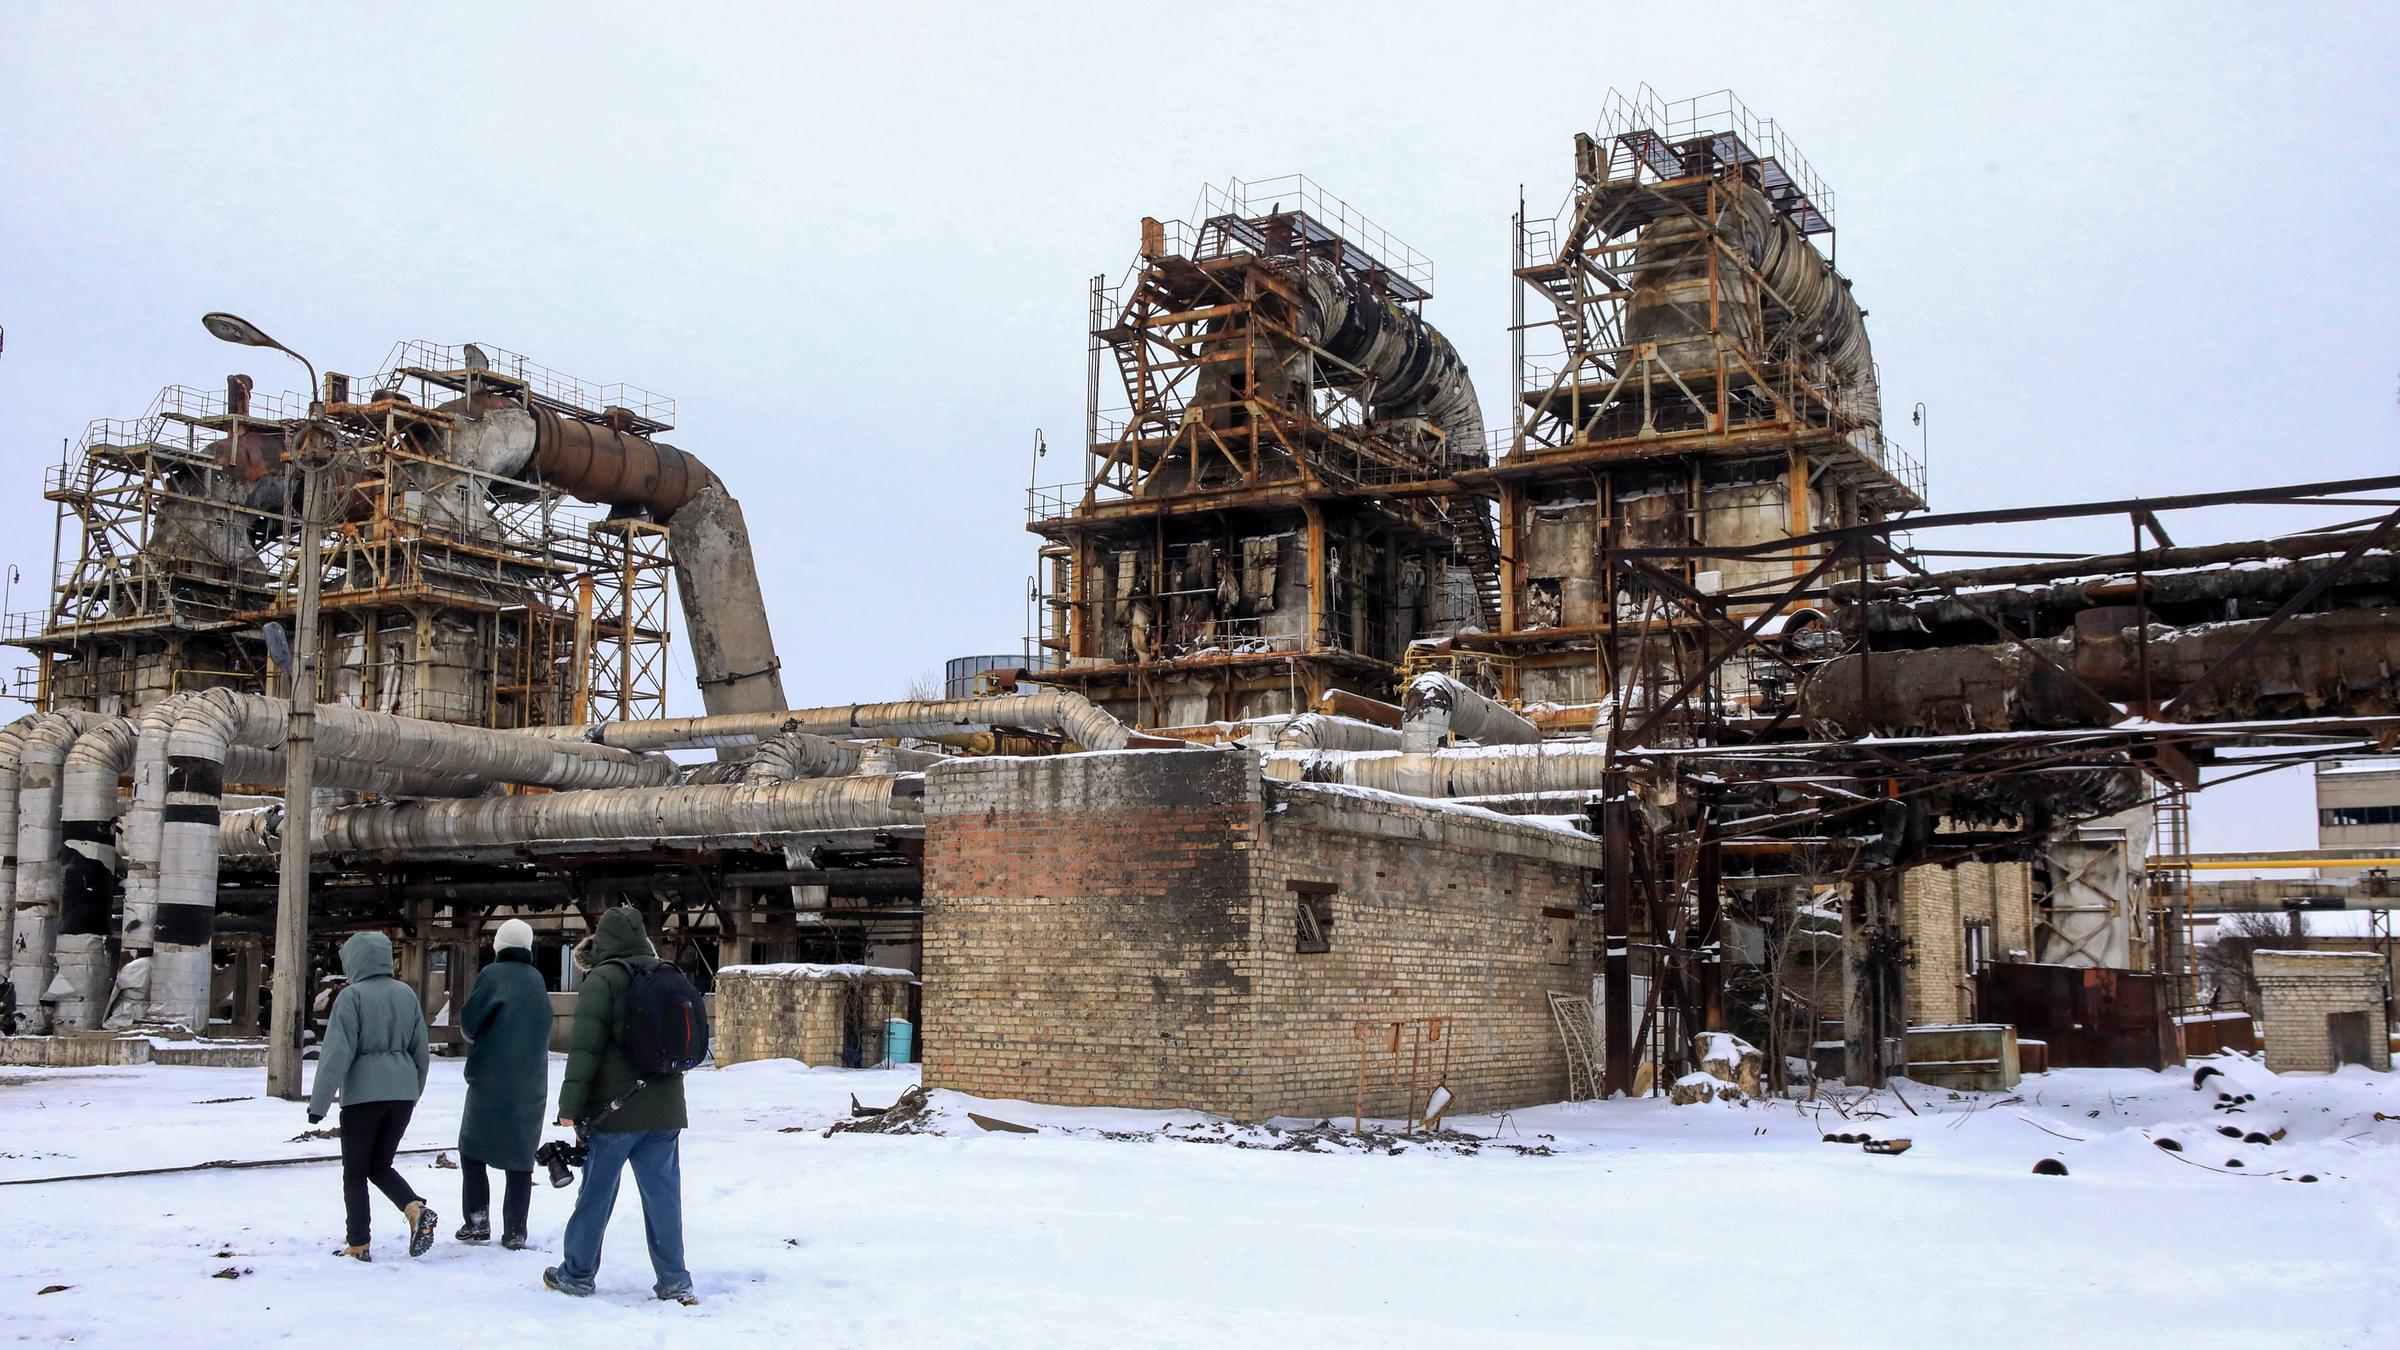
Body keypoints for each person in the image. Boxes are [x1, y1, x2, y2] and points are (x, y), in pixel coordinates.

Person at [544, 905, 695, 1304]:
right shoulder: (667, 974)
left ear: (604, 940)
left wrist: (569, 1108)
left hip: (615, 1112)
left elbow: (584, 1052)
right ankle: (675, 1280)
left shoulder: (604, 979)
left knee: (596, 1195)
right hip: (665, 1111)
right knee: (663, 1197)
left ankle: (576, 1274)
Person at [306, 930, 436, 1262]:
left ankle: (358, 1243)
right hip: (402, 1095)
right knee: (379, 1164)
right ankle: (414, 1208)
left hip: (364, 1097)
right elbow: (421, 1051)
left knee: (355, 1171)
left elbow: (336, 1053)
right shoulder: (407, 994)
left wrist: (318, 1105)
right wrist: (412, 1091)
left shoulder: (351, 997)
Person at [455, 918, 549, 1249]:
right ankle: (515, 1231)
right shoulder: (537, 979)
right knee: (520, 1157)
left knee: (472, 1149)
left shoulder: (492, 976)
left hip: (490, 1080)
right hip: (531, 1084)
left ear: (498, 946)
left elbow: (469, 1024)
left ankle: (477, 1222)